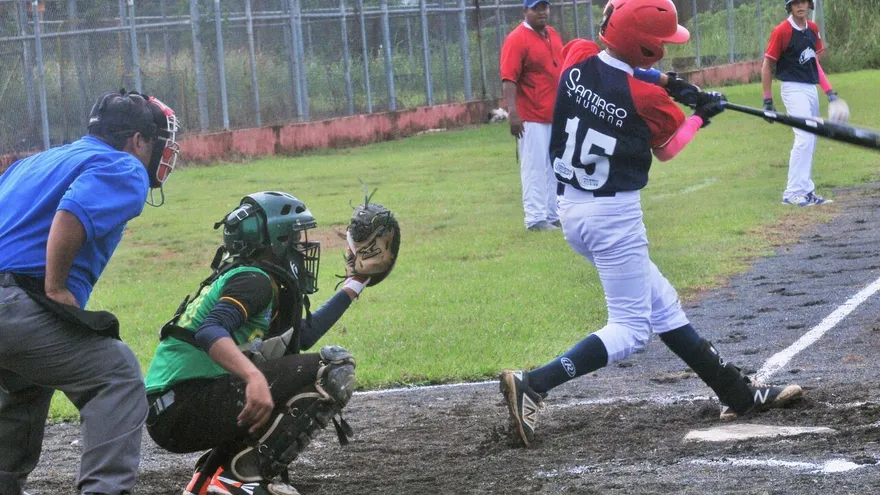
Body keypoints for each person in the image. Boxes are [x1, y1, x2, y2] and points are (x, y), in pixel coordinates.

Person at [498, 0, 803, 448]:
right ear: (645, 49)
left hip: (572, 210)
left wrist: (671, 84)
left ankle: (737, 393)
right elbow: (669, 147)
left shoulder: (579, 52)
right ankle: (534, 383)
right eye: (659, 47)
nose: (664, 51)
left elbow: (616, 73)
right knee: (631, 328)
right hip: (614, 219)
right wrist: (701, 114)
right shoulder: (648, 100)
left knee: (663, 306)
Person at [0, 90, 180, 494]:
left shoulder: (33, 163)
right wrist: (56, 287)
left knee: (25, 383)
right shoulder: (125, 166)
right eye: (155, 143)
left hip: (9, 309)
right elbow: (70, 214)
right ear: (138, 140)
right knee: (115, 376)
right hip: (16, 302)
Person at [143, 192, 368, 495]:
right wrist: (252, 377)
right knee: (332, 369)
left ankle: (211, 478)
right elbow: (210, 331)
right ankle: (239, 480)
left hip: (173, 409)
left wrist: (356, 282)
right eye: (295, 237)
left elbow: (301, 336)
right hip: (183, 405)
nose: (303, 246)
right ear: (276, 240)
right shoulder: (255, 281)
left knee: (283, 373)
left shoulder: (254, 276)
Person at [762, 0, 840, 207]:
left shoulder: (812, 29)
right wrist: (767, 99)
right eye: (795, 3)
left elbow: (814, 63)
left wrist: (829, 91)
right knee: (804, 138)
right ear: (790, 7)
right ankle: (792, 193)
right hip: (792, 88)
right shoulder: (782, 31)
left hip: (810, 89)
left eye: (803, 2)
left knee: (811, 139)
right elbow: (767, 65)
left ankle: (806, 191)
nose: (800, 6)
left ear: (809, 5)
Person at [500, 0, 564, 232]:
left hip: (554, 113)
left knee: (554, 165)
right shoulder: (517, 39)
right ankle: (535, 219)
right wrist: (513, 113)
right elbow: (509, 78)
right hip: (531, 115)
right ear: (524, 11)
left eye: (544, 6)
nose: (542, 12)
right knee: (534, 167)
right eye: (535, 7)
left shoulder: (553, 34)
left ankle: (553, 213)